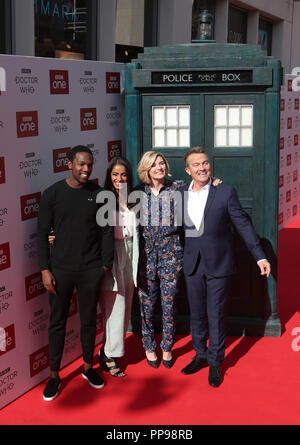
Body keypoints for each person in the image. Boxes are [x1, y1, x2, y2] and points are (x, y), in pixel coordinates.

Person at [180, 147, 271, 387]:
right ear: (188, 170)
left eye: (205, 163)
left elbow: (243, 226)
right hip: (192, 264)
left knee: (216, 315)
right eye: (196, 165)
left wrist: (260, 257)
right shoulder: (179, 192)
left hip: (219, 264)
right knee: (197, 315)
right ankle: (200, 354)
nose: (202, 168)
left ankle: (214, 363)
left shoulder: (225, 192)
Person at [37, 145, 114, 401]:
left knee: (89, 321)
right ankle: (55, 375)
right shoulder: (52, 194)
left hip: (91, 269)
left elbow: (106, 233)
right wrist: (45, 269)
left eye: (90, 164)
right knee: (57, 323)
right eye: (81, 164)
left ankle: (88, 368)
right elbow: (40, 235)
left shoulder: (101, 194)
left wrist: (104, 266)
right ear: (69, 163)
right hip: (60, 270)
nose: (86, 169)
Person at [135, 150, 184, 368]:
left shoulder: (177, 188)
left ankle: (166, 346)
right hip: (146, 259)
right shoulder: (137, 193)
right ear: (146, 169)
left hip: (171, 257)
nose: (159, 167)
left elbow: (201, 186)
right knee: (146, 305)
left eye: (162, 163)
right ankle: (148, 346)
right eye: (154, 164)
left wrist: (213, 180)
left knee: (169, 304)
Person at [98, 157, 139, 377]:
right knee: (115, 304)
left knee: (127, 302)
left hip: (131, 250)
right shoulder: (101, 198)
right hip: (111, 253)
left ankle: (109, 349)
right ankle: (108, 355)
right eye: (115, 174)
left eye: (123, 174)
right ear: (109, 176)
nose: (119, 179)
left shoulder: (134, 197)